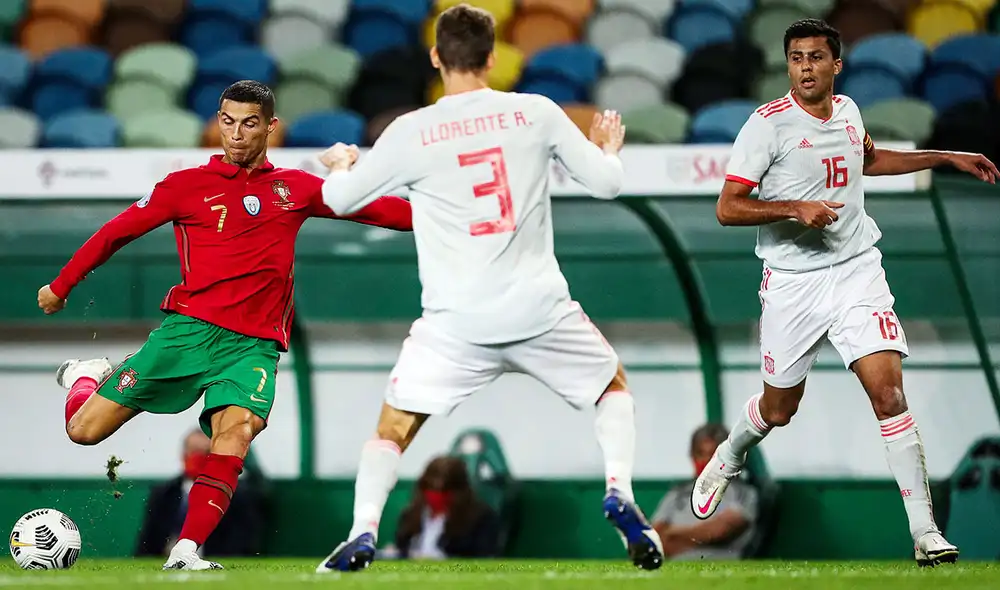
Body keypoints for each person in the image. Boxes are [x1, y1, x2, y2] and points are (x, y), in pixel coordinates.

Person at [314, 3, 663, 573]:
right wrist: (608, 149)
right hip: (538, 310)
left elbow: (340, 201)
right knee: (612, 389)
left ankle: (363, 532)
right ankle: (619, 492)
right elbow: (606, 185)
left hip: (455, 323)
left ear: (435, 57)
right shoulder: (535, 112)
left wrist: (340, 165)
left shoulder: (410, 131)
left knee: (393, 430)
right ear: (493, 58)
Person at [36, 80, 413, 571]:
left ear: (271, 127)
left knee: (235, 433)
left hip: (252, 347)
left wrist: (458, 218)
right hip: (187, 334)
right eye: (227, 122)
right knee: (83, 431)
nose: (235, 134)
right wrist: (61, 284)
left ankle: (186, 550)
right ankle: (86, 376)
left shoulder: (296, 189)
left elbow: (387, 213)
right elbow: (115, 233)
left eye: (249, 123)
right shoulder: (184, 186)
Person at [691, 18, 999, 567]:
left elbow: (870, 160)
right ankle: (730, 453)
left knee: (889, 394)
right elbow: (727, 207)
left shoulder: (849, 111)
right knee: (779, 409)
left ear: (836, 64)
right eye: (796, 58)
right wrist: (794, 208)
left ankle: (925, 531)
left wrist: (944, 156)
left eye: (815, 57)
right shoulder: (767, 125)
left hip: (857, 270)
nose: (805, 68)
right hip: (793, 283)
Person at [135, 429, 267, 558]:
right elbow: (147, 543)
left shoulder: (235, 495)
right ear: (183, 455)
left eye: (206, 452)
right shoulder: (164, 494)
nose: (198, 457)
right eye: (194, 451)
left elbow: (242, 544)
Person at [652, 424, 758, 561]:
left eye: (714, 455)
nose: (707, 461)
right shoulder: (677, 494)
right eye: (700, 454)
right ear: (692, 456)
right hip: (675, 567)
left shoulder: (743, 493)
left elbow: (719, 531)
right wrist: (689, 537)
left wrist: (672, 534)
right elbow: (653, 538)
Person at [393, 455, 502, 559]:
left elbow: (482, 557)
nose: (436, 495)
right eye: (431, 488)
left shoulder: (481, 519)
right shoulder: (410, 516)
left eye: (443, 491)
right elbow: (401, 550)